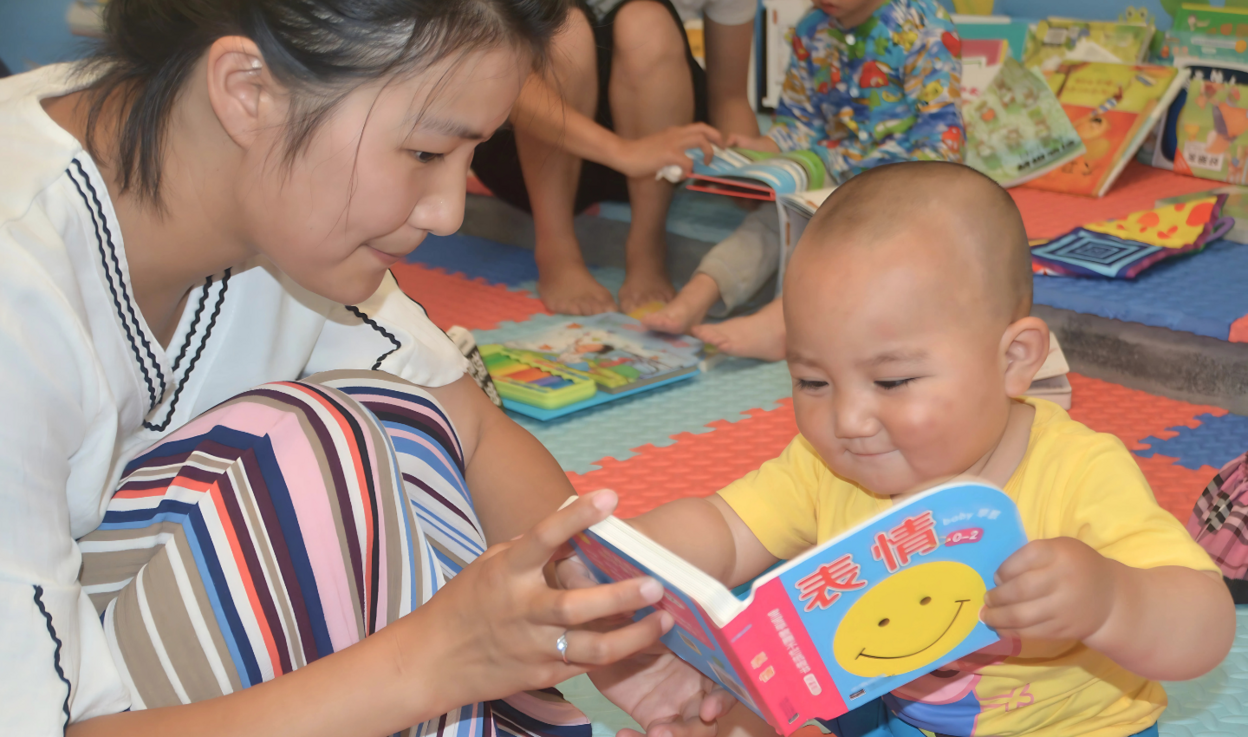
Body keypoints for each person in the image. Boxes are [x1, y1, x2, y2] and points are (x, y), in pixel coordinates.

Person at [0, 1, 737, 734]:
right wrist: (436, 657)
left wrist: (612, 618)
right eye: (425, 151)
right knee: (314, 445)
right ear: (246, 91)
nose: (447, 210)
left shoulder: (259, 200)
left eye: (467, 155)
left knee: (407, 421)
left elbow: (471, 426)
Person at [568, 162, 1236, 737]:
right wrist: (628, 559)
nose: (850, 418)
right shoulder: (830, 464)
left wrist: (1112, 599)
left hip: (1067, 725)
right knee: (752, 692)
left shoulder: (1078, 470)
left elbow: (1205, 624)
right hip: (885, 710)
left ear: (1013, 360)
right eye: (812, 380)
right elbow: (725, 524)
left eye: (892, 380)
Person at [642, 0, 965, 362]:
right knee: (770, 223)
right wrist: (761, 147)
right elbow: (798, 123)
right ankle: (695, 297)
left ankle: (779, 325)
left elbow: (941, 131)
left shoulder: (922, 23)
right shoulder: (812, 28)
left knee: (855, 246)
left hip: (906, 176)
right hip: (833, 168)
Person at [471, 0, 759, 316]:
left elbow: (730, 97)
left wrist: (752, 170)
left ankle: (647, 248)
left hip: (655, 159)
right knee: (565, 27)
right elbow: (501, 76)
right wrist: (624, 152)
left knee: (646, 22)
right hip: (523, 153)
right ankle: (557, 250)